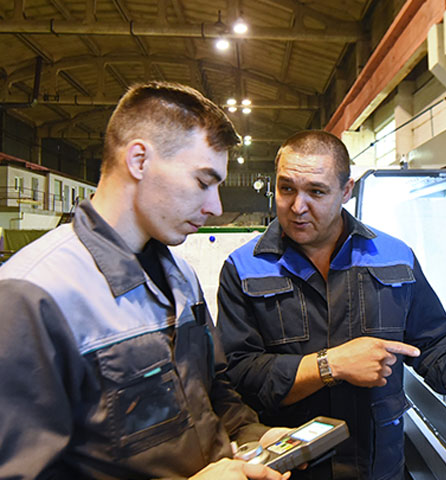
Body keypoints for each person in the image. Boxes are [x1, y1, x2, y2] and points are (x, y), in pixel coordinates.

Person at [217, 130, 446, 479]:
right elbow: (241, 374)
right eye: (286, 188)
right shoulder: (244, 267)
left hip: (379, 467)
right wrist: (330, 365)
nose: (297, 206)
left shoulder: (393, 256)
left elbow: (432, 344)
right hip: (293, 470)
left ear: (346, 191)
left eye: (316, 192)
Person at [0, 82, 293, 480]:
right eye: (204, 182)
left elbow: (214, 394)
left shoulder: (181, 276)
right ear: (139, 160)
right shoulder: (32, 296)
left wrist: (259, 437)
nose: (215, 206)